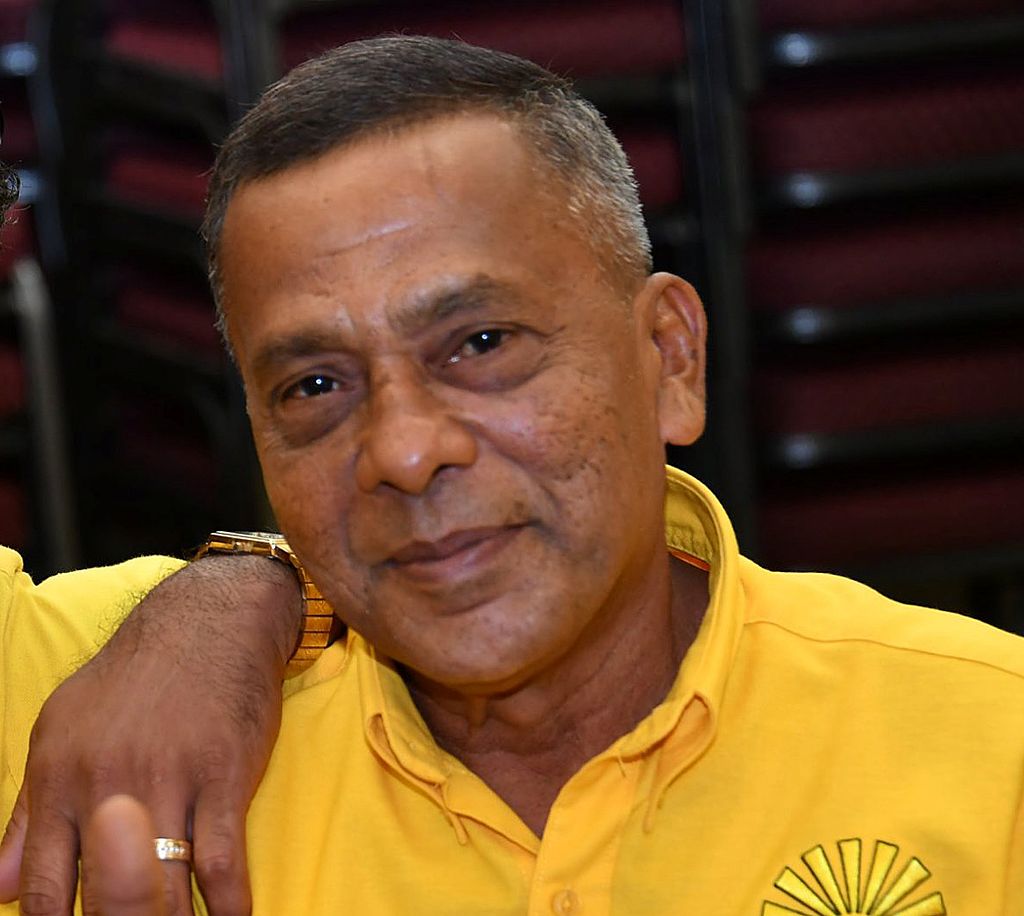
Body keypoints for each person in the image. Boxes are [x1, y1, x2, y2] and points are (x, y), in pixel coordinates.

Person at [1, 35, 1023, 915]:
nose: (404, 450)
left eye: (481, 342)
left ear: (670, 357)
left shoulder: (988, 747)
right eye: (314, 386)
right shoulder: (79, 722)